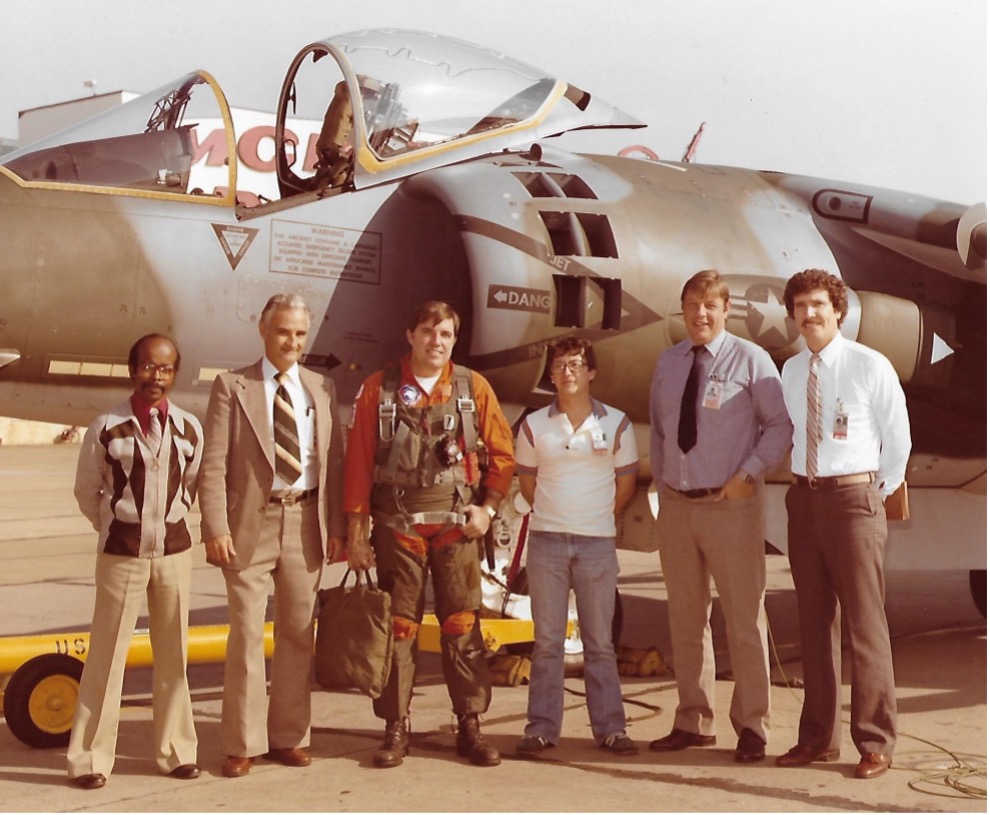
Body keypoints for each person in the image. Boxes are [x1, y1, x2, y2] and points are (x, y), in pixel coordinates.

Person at [345, 300, 515, 768]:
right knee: (398, 628)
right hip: (398, 528)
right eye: (427, 332)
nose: (435, 342)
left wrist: (487, 509)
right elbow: (357, 464)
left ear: (454, 340)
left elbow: (503, 456)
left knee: (462, 624)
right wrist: (356, 535)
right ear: (410, 335)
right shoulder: (378, 389)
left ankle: (470, 724)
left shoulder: (472, 388)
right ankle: (395, 726)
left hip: (456, 528)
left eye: (444, 334)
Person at [199, 294, 346, 778]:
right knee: (245, 635)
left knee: (298, 634)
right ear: (263, 329)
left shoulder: (321, 387)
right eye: (283, 331)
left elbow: (335, 461)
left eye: (300, 334)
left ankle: (290, 736)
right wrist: (215, 525)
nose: (292, 342)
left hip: (305, 522)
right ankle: (242, 743)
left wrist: (338, 528)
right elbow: (214, 463)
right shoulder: (232, 386)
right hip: (249, 527)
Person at [648, 270, 792, 763]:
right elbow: (661, 431)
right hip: (678, 506)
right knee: (686, 617)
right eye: (692, 305)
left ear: (727, 310)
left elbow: (780, 426)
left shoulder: (751, 360)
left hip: (731, 505)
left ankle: (753, 726)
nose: (701, 314)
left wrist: (749, 474)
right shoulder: (669, 363)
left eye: (710, 305)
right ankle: (694, 719)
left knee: (744, 617)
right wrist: (663, 484)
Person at [776, 269, 911, 780]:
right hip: (804, 500)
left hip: (854, 500)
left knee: (864, 623)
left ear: (838, 310)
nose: (809, 314)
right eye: (800, 306)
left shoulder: (868, 365)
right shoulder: (792, 371)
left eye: (818, 305)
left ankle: (875, 741)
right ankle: (817, 739)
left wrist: (876, 493)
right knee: (813, 623)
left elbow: (898, 438)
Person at [67, 334, 203, 790]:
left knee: (174, 655)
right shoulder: (106, 427)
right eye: (147, 366)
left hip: (174, 554)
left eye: (165, 369)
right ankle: (90, 758)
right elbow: (87, 491)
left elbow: (191, 485)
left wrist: (167, 523)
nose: (155, 376)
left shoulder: (189, 428)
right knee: (106, 656)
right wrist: (114, 525)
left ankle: (176, 751)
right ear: (132, 370)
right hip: (121, 555)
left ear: (175, 374)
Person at [513, 337, 640, 756]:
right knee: (547, 642)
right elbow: (527, 483)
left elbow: (625, 485)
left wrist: (595, 517)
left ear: (591, 372)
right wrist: (556, 514)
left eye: (576, 364)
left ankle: (611, 729)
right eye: (560, 366)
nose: (567, 372)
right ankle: (541, 729)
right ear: (551, 375)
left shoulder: (617, 424)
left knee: (599, 643)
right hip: (546, 543)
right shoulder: (534, 426)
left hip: (596, 545)